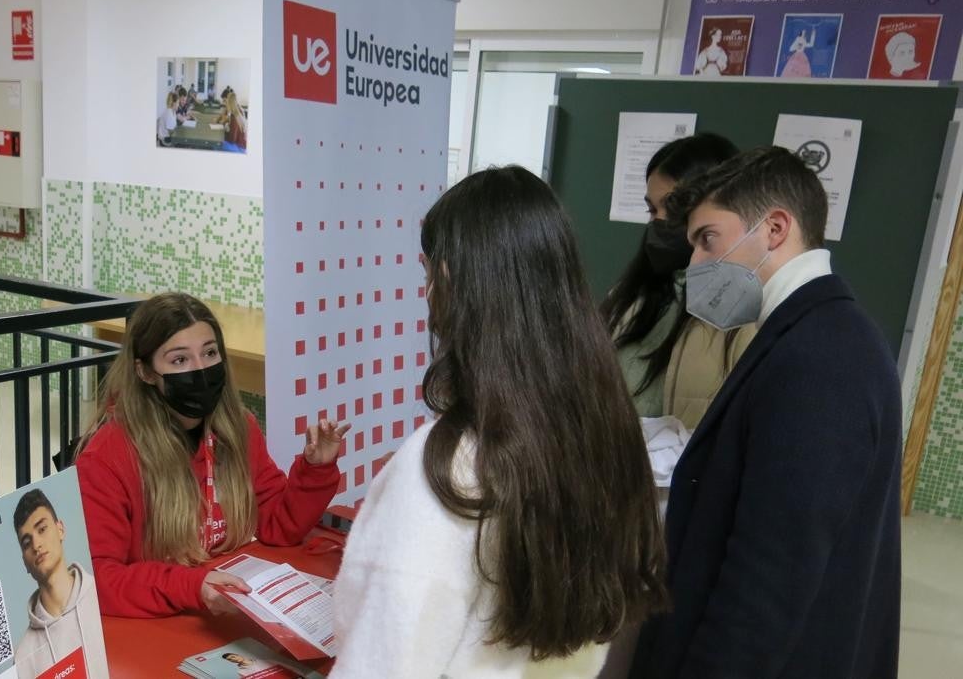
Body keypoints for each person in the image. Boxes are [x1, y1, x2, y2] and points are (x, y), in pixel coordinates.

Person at [331, 166, 668, 678]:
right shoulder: (604, 430)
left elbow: (385, 663)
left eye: (427, 273)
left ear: (445, 277)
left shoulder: (447, 466)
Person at [630, 147, 902, 678]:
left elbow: (769, 580)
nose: (695, 266)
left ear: (775, 228)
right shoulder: (808, 334)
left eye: (708, 239)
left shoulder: (821, 357)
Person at [75, 293, 349, 618]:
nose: (201, 370)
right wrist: (192, 587)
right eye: (180, 360)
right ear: (145, 372)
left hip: (216, 611)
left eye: (209, 353)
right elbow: (97, 580)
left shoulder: (237, 428)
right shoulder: (107, 457)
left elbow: (278, 524)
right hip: (152, 624)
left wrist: (315, 470)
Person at [602, 133, 754, 429]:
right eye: (652, 210)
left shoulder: (739, 311)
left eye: (671, 207)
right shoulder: (630, 297)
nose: (658, 222)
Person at [13, 489, 109, 679]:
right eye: (26, 542)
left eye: (42, 529)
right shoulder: (24, 654)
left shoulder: (103, 599)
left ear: (60, 530)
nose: (36, 545)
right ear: (24, 561)